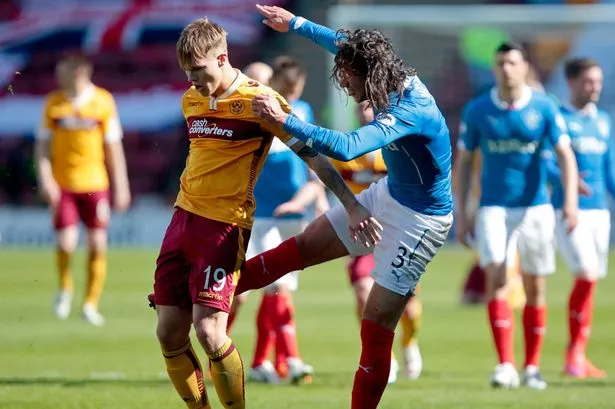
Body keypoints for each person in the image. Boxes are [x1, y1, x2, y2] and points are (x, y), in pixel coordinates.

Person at [151, 18, 377, 409]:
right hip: (181, 221)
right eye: (187, 73)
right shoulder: (191, 99)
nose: (194, 81)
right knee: (169, 331)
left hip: (224, 226)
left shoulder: (261, 102)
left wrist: (351, 203)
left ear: (222, 58)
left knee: (208, 331)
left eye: (200, 72)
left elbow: (313, 156)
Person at [238, 6, 454, 408]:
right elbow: (343, 44)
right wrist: (296, 24)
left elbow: (346, 147)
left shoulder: (411, 109)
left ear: (367, 74)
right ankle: (207, 292)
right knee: (300, 249)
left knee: (374, 325)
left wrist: (285, 120)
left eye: (348, 79)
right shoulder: (383, 72)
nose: (346, 86)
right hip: (390, 193)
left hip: (421, 221)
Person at [454, 42, 579, 390]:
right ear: (495, 69)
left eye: (512, 62)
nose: (506, 69)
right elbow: (464, 162)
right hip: (492, 207)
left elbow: (565, 156)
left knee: (535, 286)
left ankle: (532, 367)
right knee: (496, 278)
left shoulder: (544, 107)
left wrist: (568, 201)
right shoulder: (478, 109)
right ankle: (505, 364)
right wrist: (464, 212)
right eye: (500, 63)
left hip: (536, 208)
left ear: (524, 67)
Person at [244, 56, 324, 384]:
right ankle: (291, 358)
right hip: (261, 216)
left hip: (294, 214)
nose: (290, 98)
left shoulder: (302, 111)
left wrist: (314, 199)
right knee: (273, 287)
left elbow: (312, 163)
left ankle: (261, 361)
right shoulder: (253, 114)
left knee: (274, 290)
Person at [34, 54, 131, 327]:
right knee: (66, 243)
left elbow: (113, 146)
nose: (58, 75)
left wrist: (121, 184)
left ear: (79, 72)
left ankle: (90, 303)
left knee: (97, 245)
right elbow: (42, 145)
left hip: (95, 183)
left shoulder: (103, 101)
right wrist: (46, 178)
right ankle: (65, 288)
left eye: (62, 70)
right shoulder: (53, 103)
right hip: (63, 184)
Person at [334, 101, 423, 382]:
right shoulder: (348, 148)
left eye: (369, 107)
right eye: (359, 108)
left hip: (398, 233)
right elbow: (325, 180)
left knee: (408, 305)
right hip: (363, 236)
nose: (364, 112)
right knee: (364, 292)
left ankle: (409, 342)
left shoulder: (396, 148)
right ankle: (385, 355)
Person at [547, 58, 611, 379]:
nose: (595, 87)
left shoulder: (604, 122)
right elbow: (545, 160)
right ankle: (573, 354)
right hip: (569, 210)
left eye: (598, 81)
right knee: (585, 274)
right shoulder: (558, 119)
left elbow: (610, 171)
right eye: (589, 81)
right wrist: (567, 180)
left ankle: (579, 354)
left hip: (601, 213)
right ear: (571, 82)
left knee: (592, 279)